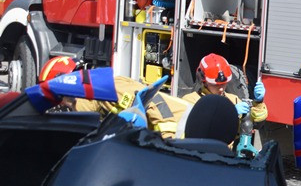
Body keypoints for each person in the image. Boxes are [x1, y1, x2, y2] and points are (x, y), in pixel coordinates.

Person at [37, 57, 188, 137]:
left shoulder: (105, 90)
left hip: (181, 128)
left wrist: (168, 139)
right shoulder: (97, 93)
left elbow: (154, 101)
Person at [182, 53, 267, 127]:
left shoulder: (233, 100)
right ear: (204, 81)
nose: (221, 88)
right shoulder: (190, 101)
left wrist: (258, 103)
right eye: (215, 85)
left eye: (224, 83)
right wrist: (230, 113)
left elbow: (256, 124)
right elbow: (200, 126)